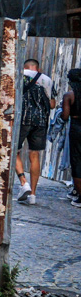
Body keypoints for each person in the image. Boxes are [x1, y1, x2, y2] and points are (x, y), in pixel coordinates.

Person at [15, 59, 56, 205]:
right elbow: (52, 104)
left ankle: (23, 182)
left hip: (22, 119)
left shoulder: (19, 75)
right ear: (38, 69)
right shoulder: (47, 79)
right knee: (34, 154)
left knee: (14, 151)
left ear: (24, 67)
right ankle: (32, 194)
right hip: (40, 122)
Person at [64, 68, 81, 207]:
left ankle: (79, 194)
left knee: (76, 160)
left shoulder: (69, 95)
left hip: (76, 127)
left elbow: (65, 115)